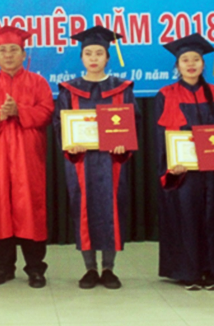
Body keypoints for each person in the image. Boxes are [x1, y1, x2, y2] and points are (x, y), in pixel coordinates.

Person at [53, 27, 140, 289]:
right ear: (81, 57)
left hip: (112, 162)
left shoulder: (122, 88)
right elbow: (60, 124)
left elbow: (133, 122)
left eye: (99, 53)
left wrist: (124, 145)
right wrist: (71, 145)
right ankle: (89, 268)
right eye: (88, 53)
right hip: (81, 162)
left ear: (107, 57)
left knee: (112, 209)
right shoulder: (69, 90)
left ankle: (109, 269)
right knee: (83, 210)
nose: (93, 58)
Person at [154, 33, 214, 290]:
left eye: (196, 59)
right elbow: (161, 136)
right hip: (184, 171)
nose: (190, 64)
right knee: (186, 217)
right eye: (185, 60)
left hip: (212, 170)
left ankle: (211, 271)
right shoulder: (166, 94)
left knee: (212, 217)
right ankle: (188, 271)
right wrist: (171, 165)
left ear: (203, 64)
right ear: (177, 65)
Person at [0, 26, 54, 288]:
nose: (8, 55)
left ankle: (35, 269)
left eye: (13, 50)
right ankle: (3, 268)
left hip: (28, 155)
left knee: (29, 208)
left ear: (23, 53)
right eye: (3, 50)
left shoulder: (38, 82)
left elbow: (47, 112)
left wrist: (20, 111)